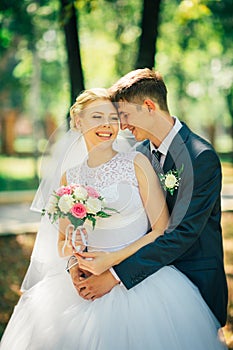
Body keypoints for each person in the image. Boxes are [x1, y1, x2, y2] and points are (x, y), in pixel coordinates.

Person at [0, 88, 226, 349]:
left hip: (142, 283)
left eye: (113, 118)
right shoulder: (70, 178)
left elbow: (160, 229)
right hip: (83, 284)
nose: (107, 125)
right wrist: (74, 265)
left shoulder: (137, 163)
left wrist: (110, 264)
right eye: (97, 117)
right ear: (78, 121)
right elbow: (63, 241)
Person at [72, 69, 228, 331]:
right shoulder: (137, 154)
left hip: (190, 281)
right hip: (143, 282)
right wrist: (82, 260)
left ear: (148, 106)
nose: (121, 126)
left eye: (124, 115)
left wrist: (113, 276)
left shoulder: (200, 157)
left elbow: (181, 234)